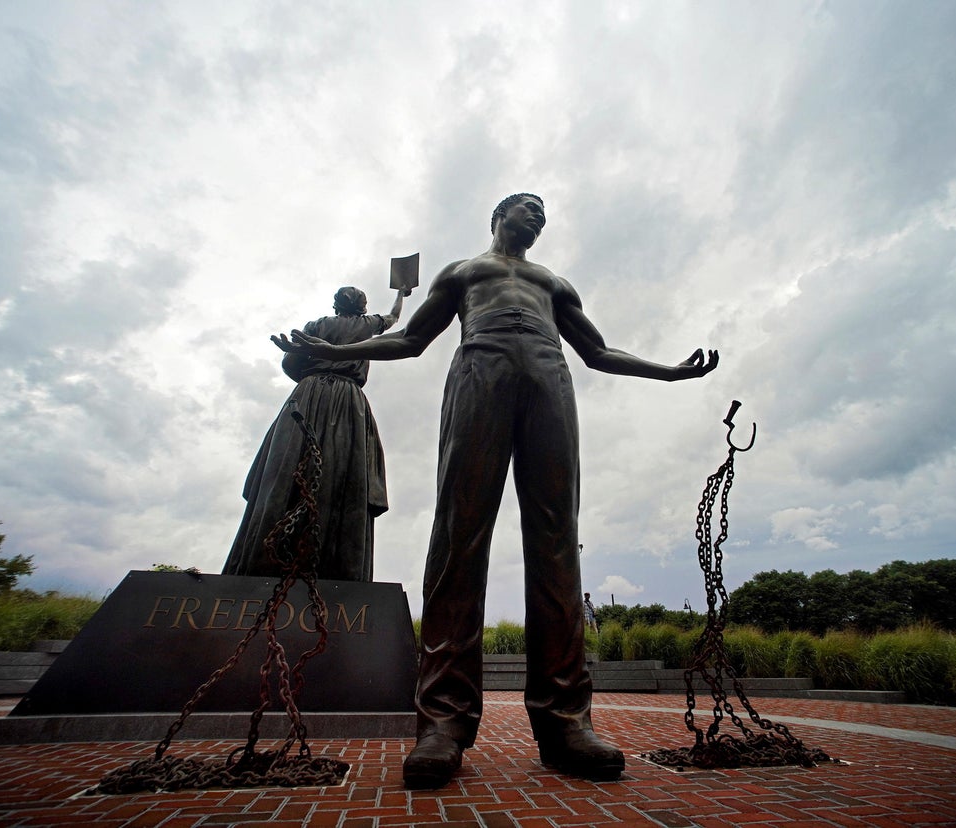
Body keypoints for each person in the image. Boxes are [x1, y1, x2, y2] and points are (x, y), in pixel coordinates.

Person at [276, 193, 718, 788]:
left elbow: (599, 351)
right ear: (497, 216)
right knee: (460, 536)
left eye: (544, 214)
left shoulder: (553, 282)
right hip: (479, 370)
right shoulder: (464, 272)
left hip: (548, 377)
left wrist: (668, 370)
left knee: (557, 539)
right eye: (526, 209)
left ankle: (566, 721)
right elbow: (408, 341)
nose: (537, 218)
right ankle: (443, 724)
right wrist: (338, 349)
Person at [223, 285, 406, 582]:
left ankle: (260, 562)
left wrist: (312, 375)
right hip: (348, 400)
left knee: (285, 469)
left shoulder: (318, 325)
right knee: (341, 473)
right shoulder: (369, 325)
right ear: (362, 307)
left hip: (307, 394)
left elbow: (291, 362)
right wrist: (402, 294)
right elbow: (394, 317)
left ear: (336, 306)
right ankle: (337, 568)